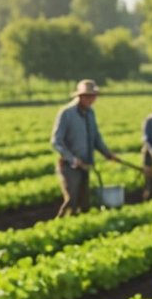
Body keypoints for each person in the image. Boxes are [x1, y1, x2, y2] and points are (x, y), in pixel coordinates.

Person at [51, 79, 120, 217]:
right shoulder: (67, 113)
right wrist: (72, 159)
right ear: (80, 96)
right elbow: (56, 141)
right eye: (88, 96)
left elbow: (95, 138)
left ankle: (80, 228)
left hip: (86, 164)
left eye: (93, 96)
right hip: (70, 166)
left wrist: (107, 153)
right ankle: (60, 224)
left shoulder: (90, 113)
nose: (91, 99)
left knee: (84, 202)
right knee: (71, 200)